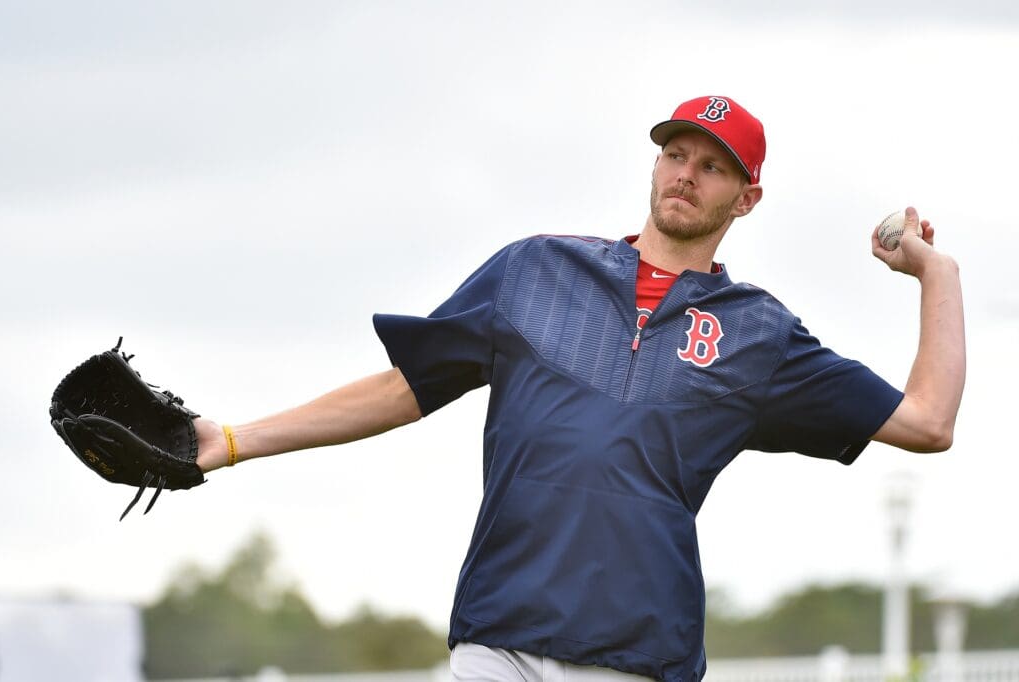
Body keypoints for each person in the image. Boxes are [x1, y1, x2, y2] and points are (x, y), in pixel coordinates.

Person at [193, 95, 965, 682]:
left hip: (631, 652)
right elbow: (404, 388)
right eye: (676, 155)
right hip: (498, 635)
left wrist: (940, 275)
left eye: (713, 166)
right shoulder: (537, 269)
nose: (686, 175)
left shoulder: (757, 333)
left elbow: (929, 421)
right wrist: (232, 441)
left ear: (746, 196)